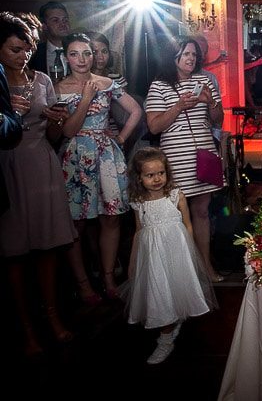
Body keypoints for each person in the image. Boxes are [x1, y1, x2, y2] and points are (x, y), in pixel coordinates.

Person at [0, 12, 77, 355]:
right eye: (16, 49)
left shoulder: (43, 79)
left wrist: (56, 119)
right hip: (9, 165)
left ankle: (52, 315)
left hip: (42, 162)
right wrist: (10, 115)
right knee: (14, 252)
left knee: (48, 246)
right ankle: (25, 326)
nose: (23, 56)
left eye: (27, 49)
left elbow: (56, 135)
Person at [57, 33, 142, 300]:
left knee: (111, 217)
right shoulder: (58, 88)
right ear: (66, 57)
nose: (81, 59)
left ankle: (108, 278)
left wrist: (120, 138)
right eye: (74, 54)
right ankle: (83, 283)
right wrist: (85, 98)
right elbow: (68, 131)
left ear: (94, 56)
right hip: (75, 156)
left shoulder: (106, 83)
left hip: (106, 154)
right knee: (77, 223)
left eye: (87, 53)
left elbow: (136, 111)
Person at [123, 147, 217, 365]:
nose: (157, 179)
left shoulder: (176, 195)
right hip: (154, 258)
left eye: (161, 173)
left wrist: (190, 254)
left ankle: (166, 336)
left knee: (175, 289)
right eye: (150, 175)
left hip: (177, 253)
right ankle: (167, 335)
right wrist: (133, 261)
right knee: (160, 294)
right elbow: (139, 232)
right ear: (139, 177)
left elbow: (188, 226)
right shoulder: (139, 202)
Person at [145, 37, 225, 281]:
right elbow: (154, 126)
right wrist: (178, 106)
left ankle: (206, 267)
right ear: (173, 57)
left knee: (201, 211)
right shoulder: (159, 86)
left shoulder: (204, 81)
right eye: (185, 54)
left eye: (193, 54)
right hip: (175, 157)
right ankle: (184, 272)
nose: (191, 58)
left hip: (203, 152)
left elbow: (217, 120)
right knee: (178, 214)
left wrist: (210, 102)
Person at [30, 1, 70, 79]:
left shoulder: (81, 49)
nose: (63, 24)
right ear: (44, 26)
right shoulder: (33, 53)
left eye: (65, 20)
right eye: (55, 20)